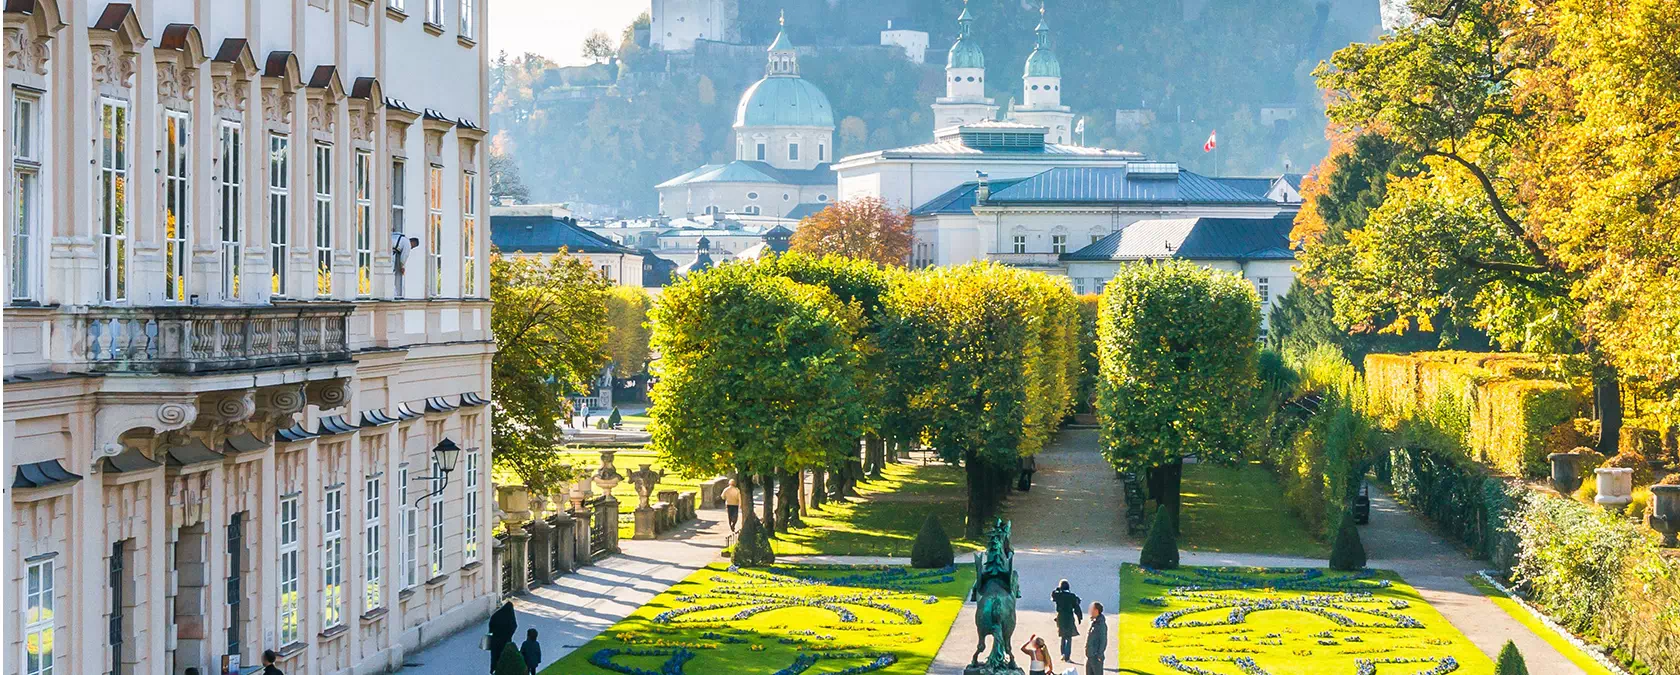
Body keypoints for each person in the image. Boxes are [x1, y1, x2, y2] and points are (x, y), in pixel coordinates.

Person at [1051, 579, 1083, 662]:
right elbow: (1077, 606)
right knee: (1068, 638)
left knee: (1062, 636)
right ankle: (1067, 657)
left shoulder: (1058, 595)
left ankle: (1062, 654)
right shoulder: (1072, 596)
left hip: (1060, 617)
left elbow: (1053, 595)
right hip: (1069, 617)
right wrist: (1079, 617)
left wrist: (1057, 589)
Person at [487, 600, 518, 674]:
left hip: (496, 640)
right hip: (505, 641)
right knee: (504, 656)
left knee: (495, 656)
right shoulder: (510, 617)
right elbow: (514, 626)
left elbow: (491, 627)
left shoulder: (496, 615)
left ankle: (493, 670)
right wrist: (509, 635)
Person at [1084, 602, 1107, 675]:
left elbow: (1103, 641)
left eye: (1091, 609)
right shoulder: (1093, 622)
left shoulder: (1101, 625)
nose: (1089, 610)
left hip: (1095, 657)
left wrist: (1099, 654)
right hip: (1090, 655)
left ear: (1096, 610)